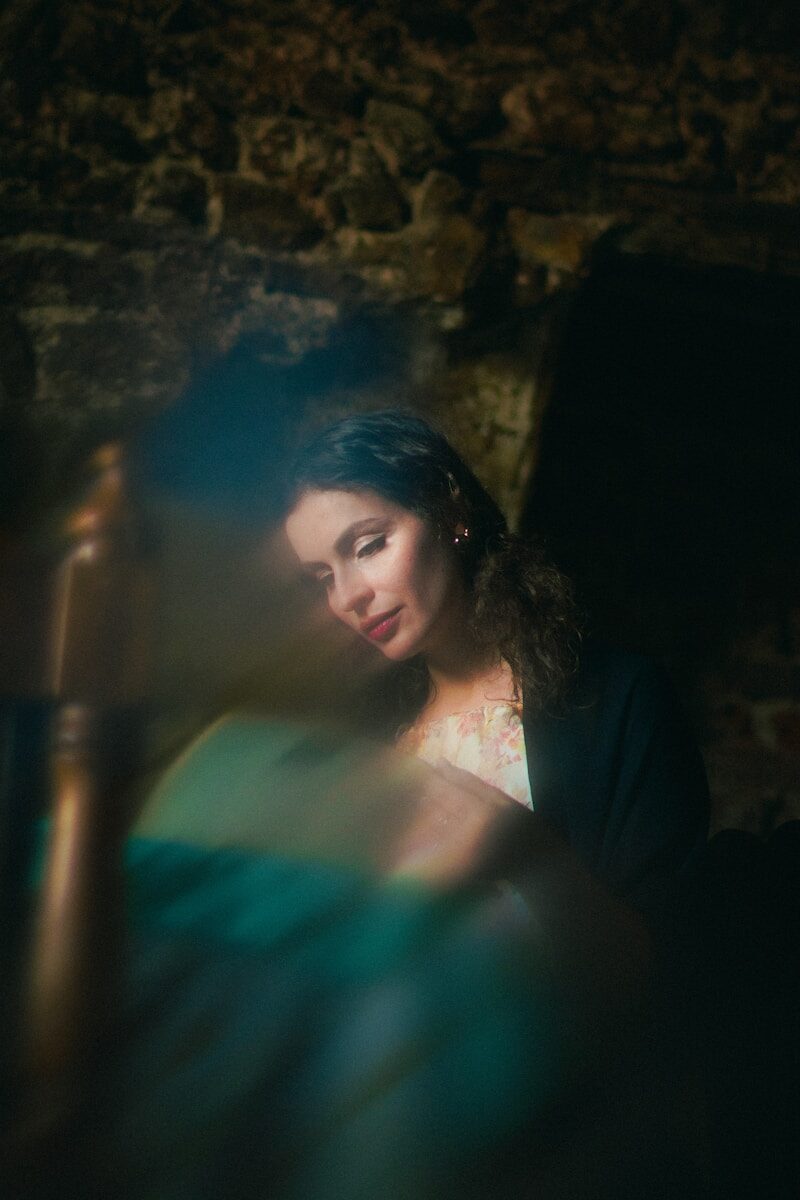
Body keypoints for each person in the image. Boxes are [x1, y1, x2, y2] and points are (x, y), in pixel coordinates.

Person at [281, 408, 709, 934]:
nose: (348, 597)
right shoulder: (367, 740)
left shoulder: (615, 700)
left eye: (369, 546)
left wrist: (529, 857)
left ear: (448, 510)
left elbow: (666, 953)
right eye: (323, 576)